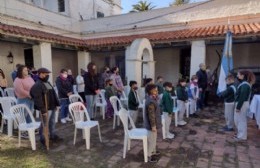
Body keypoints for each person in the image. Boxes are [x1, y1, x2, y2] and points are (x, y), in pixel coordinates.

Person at [30, 68, 62, 147]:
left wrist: (57, 104)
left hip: (52, 106)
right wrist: (43, 110)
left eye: (48, 74)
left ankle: (52, 135)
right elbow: (38, 99)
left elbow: (53, 94)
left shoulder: (47, 83)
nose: (47, 75)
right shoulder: (37, 85)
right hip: (46, 108)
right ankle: (43, 138)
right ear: (40, 74)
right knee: (44, 124)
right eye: (45, 74)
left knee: (52, 122)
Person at [234, 70, 255, 141]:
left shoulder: (245, 85)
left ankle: (242, 136)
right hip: (241, 103)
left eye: (238, 75)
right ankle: (240, 133)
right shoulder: (244, 84)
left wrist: (238, 107)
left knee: (241, 120)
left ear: (243, 76)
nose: (237, 76)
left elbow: (242, 97)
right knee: (238, 120)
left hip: (242, 104)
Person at [144, 84, 161, 162]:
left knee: (154, 139)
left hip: (154, 124)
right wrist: (153, 126)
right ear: (151, 91)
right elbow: (151, 115)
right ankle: (149, 155)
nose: (157, 91)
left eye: (157, 90)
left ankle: (153, 151)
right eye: (155, 90)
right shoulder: (150, 101)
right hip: (151, 125)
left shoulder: (153, 98)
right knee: (151, 140)